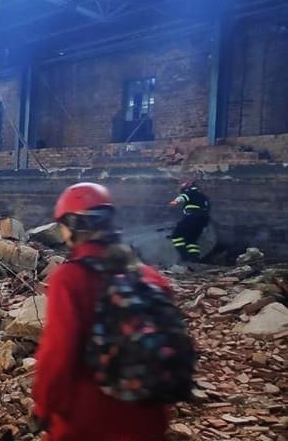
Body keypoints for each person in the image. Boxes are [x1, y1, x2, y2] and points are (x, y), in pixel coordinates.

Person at [32, 182, 171, 440]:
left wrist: (44, 408)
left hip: (89, 421)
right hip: (149, 419)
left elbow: (58, 354)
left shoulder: (70, 278)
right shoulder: (150, 277)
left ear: (73, 225)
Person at [169, 179, 210, 263]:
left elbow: (183, 197)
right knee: (191, 240)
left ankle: (185, 258)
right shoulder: (203, 197)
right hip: (202, 221)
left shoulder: (190, 192)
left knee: (176, 236)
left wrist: (175, 202)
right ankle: (194, 260)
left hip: (192, 217)